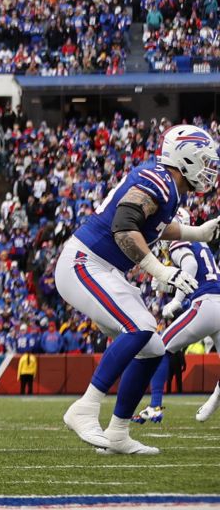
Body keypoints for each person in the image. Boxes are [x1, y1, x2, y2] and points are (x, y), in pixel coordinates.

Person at [55, 127, 219, 454]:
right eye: (202, 160)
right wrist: (160, 270)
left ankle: (118, 433)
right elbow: (124, 226)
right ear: (183, 156)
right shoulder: (157, 179)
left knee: (153, 348)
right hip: (84, 262)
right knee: (141, 326)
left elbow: (154, 226)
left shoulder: (169, 188)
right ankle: (85, 407)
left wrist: (197, 233)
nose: (208, 168)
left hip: (104, 267)